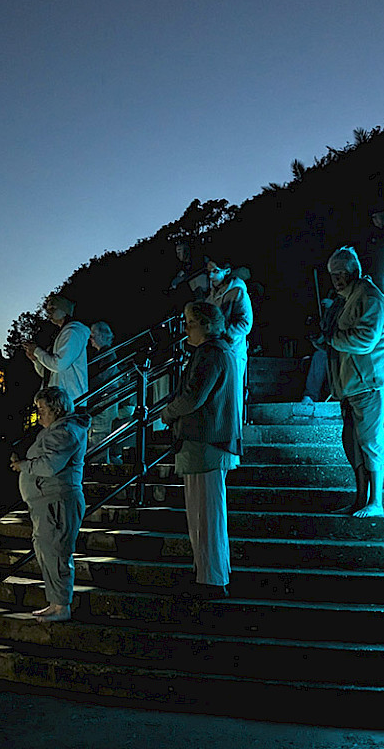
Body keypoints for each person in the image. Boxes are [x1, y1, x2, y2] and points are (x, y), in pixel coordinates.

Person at [161, 302, 242, 599]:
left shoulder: (211, 353)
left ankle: (211, 579)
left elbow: (193, 396)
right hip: (210, 442)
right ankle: (211, 574)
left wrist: (168, 413)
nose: (186, 329)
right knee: (208, 514)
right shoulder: (220, 351)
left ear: (207, 325)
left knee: (204, 515)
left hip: (205, 441)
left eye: (191, 323)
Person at [10, 386, 89, 623]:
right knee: (48, 553)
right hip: (47, 502)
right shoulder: (56, 430)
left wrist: (24, 466)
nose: (39, 414)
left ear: (57, 408)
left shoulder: (66, 432)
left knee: (56, 553)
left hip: (57, 502)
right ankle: (55, 603)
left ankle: (61, 606)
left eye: (42, 409)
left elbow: (49, 465)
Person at [326, 246, 384, 518]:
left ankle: (376, 501)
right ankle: (361, 499)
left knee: (369, 440)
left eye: (341, 273)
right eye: (334, 274)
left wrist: (332, 338)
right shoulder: (350, 297)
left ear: (354, 271)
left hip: (369, 380)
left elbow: (366, 340)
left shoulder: (368, 296)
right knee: (355, 442)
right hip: (355, 382)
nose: (337, 279)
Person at [205, 257, 253, 418]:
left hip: (232, 351)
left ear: (226, 271)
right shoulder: (211, 297)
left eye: (215, 271)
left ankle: (235, 431)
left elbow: (246, 323)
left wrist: (225, 333)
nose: (211, 275)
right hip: (216, 352)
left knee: (232, 397)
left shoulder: (238, 292)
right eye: (209, 271)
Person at [22, 295, 90, 403]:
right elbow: (48, 373)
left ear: (65, 311)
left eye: (53, 308)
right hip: (59, 400)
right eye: (48, 310)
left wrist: (37, 350)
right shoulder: (61, 334)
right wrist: (36, 360)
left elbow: (58, 365)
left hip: (71, 400)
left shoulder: (73, 332)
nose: (49, 313)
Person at [87, 321, 121, 464]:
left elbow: (102, 378)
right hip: (104, 402)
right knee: (98, 436)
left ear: (101, 336)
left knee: (98, 436)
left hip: (103, 402)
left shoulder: (106, 355)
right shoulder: (105, 354)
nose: (90, 339)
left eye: (93, 335)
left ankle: (99, 467)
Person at [301, 291, 343, 403]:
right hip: (331, 347)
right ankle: (310, 395)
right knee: (319, 355)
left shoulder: (350, 301)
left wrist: (333, 307)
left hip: (347, 349)